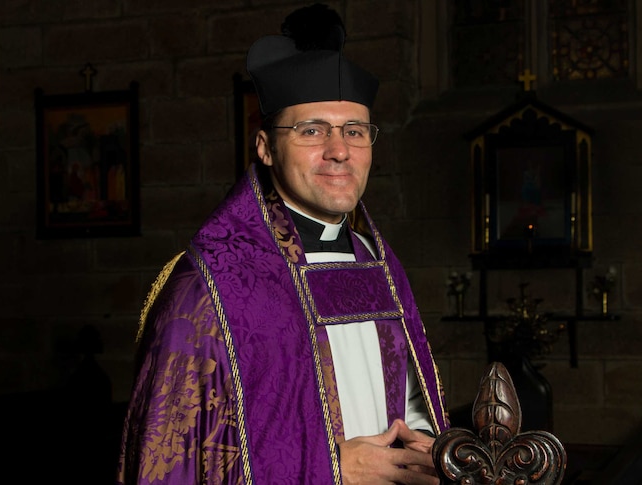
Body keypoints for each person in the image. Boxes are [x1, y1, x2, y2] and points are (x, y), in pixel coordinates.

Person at [116, 4, 450, 484]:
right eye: (312, 130)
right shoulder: (208, 287)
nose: (339, 150)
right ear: (266, 148)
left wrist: (430, 448)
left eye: (354, 131)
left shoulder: (378, 264)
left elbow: (414, 407)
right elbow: (177, 458)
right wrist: (331, 469)